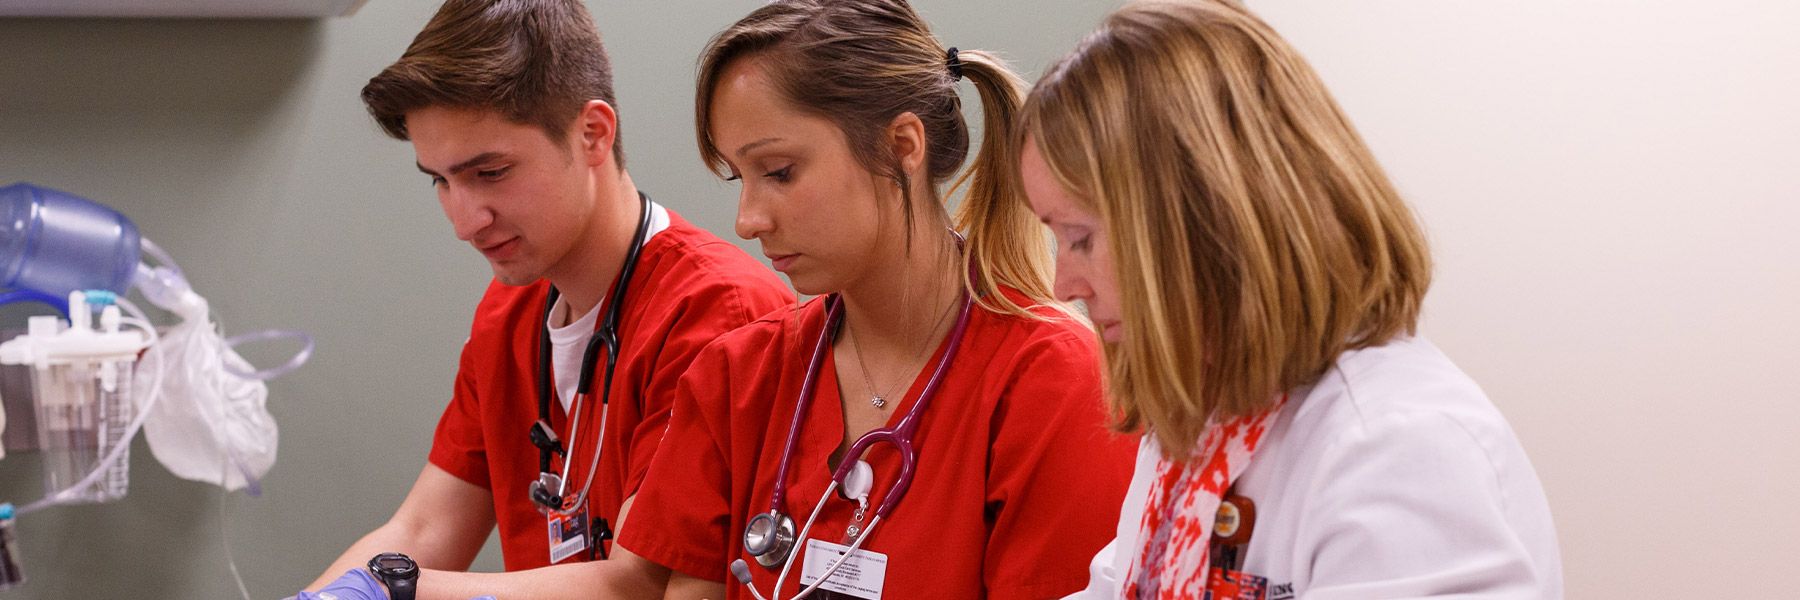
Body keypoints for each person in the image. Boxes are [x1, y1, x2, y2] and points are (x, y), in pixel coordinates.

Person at [1012, 1, 1564, 598]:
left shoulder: (1396, 446)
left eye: (1079, 239)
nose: (1063, 286)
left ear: (1207, 217)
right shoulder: (1202, 422)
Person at [610, 1, 1138, 599]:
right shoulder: (735, 379)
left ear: (901, 146)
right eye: (739, 177)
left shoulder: (1053, 384)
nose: (747, 220)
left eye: (778, 171)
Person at [295, 1, 794, 599]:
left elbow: (640, 583)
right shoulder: (508, 315)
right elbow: (425, 528)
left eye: (491, 173)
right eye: (440, 180)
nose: (464, 222)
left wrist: (395, 591)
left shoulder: (719, 313)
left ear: (593, 134)